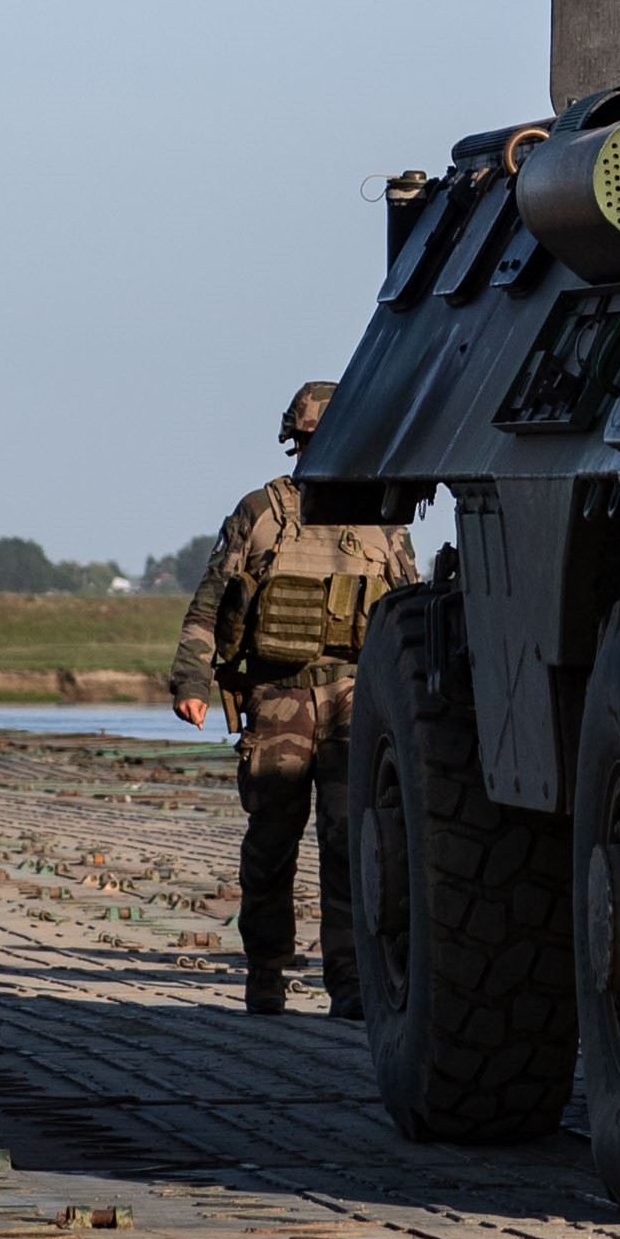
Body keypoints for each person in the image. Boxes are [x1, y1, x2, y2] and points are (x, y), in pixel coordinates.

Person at [166, 383, 419, 1017]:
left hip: (354, 701)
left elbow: (410, 614)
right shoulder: (261, 512)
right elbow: (210, 605)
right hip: (277, 699)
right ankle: (267, 976)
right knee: (272, 845)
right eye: (311, 441)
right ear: (298, 442)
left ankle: (352, 982)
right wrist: (191, 683)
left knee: (351, 845)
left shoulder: (383, 518)